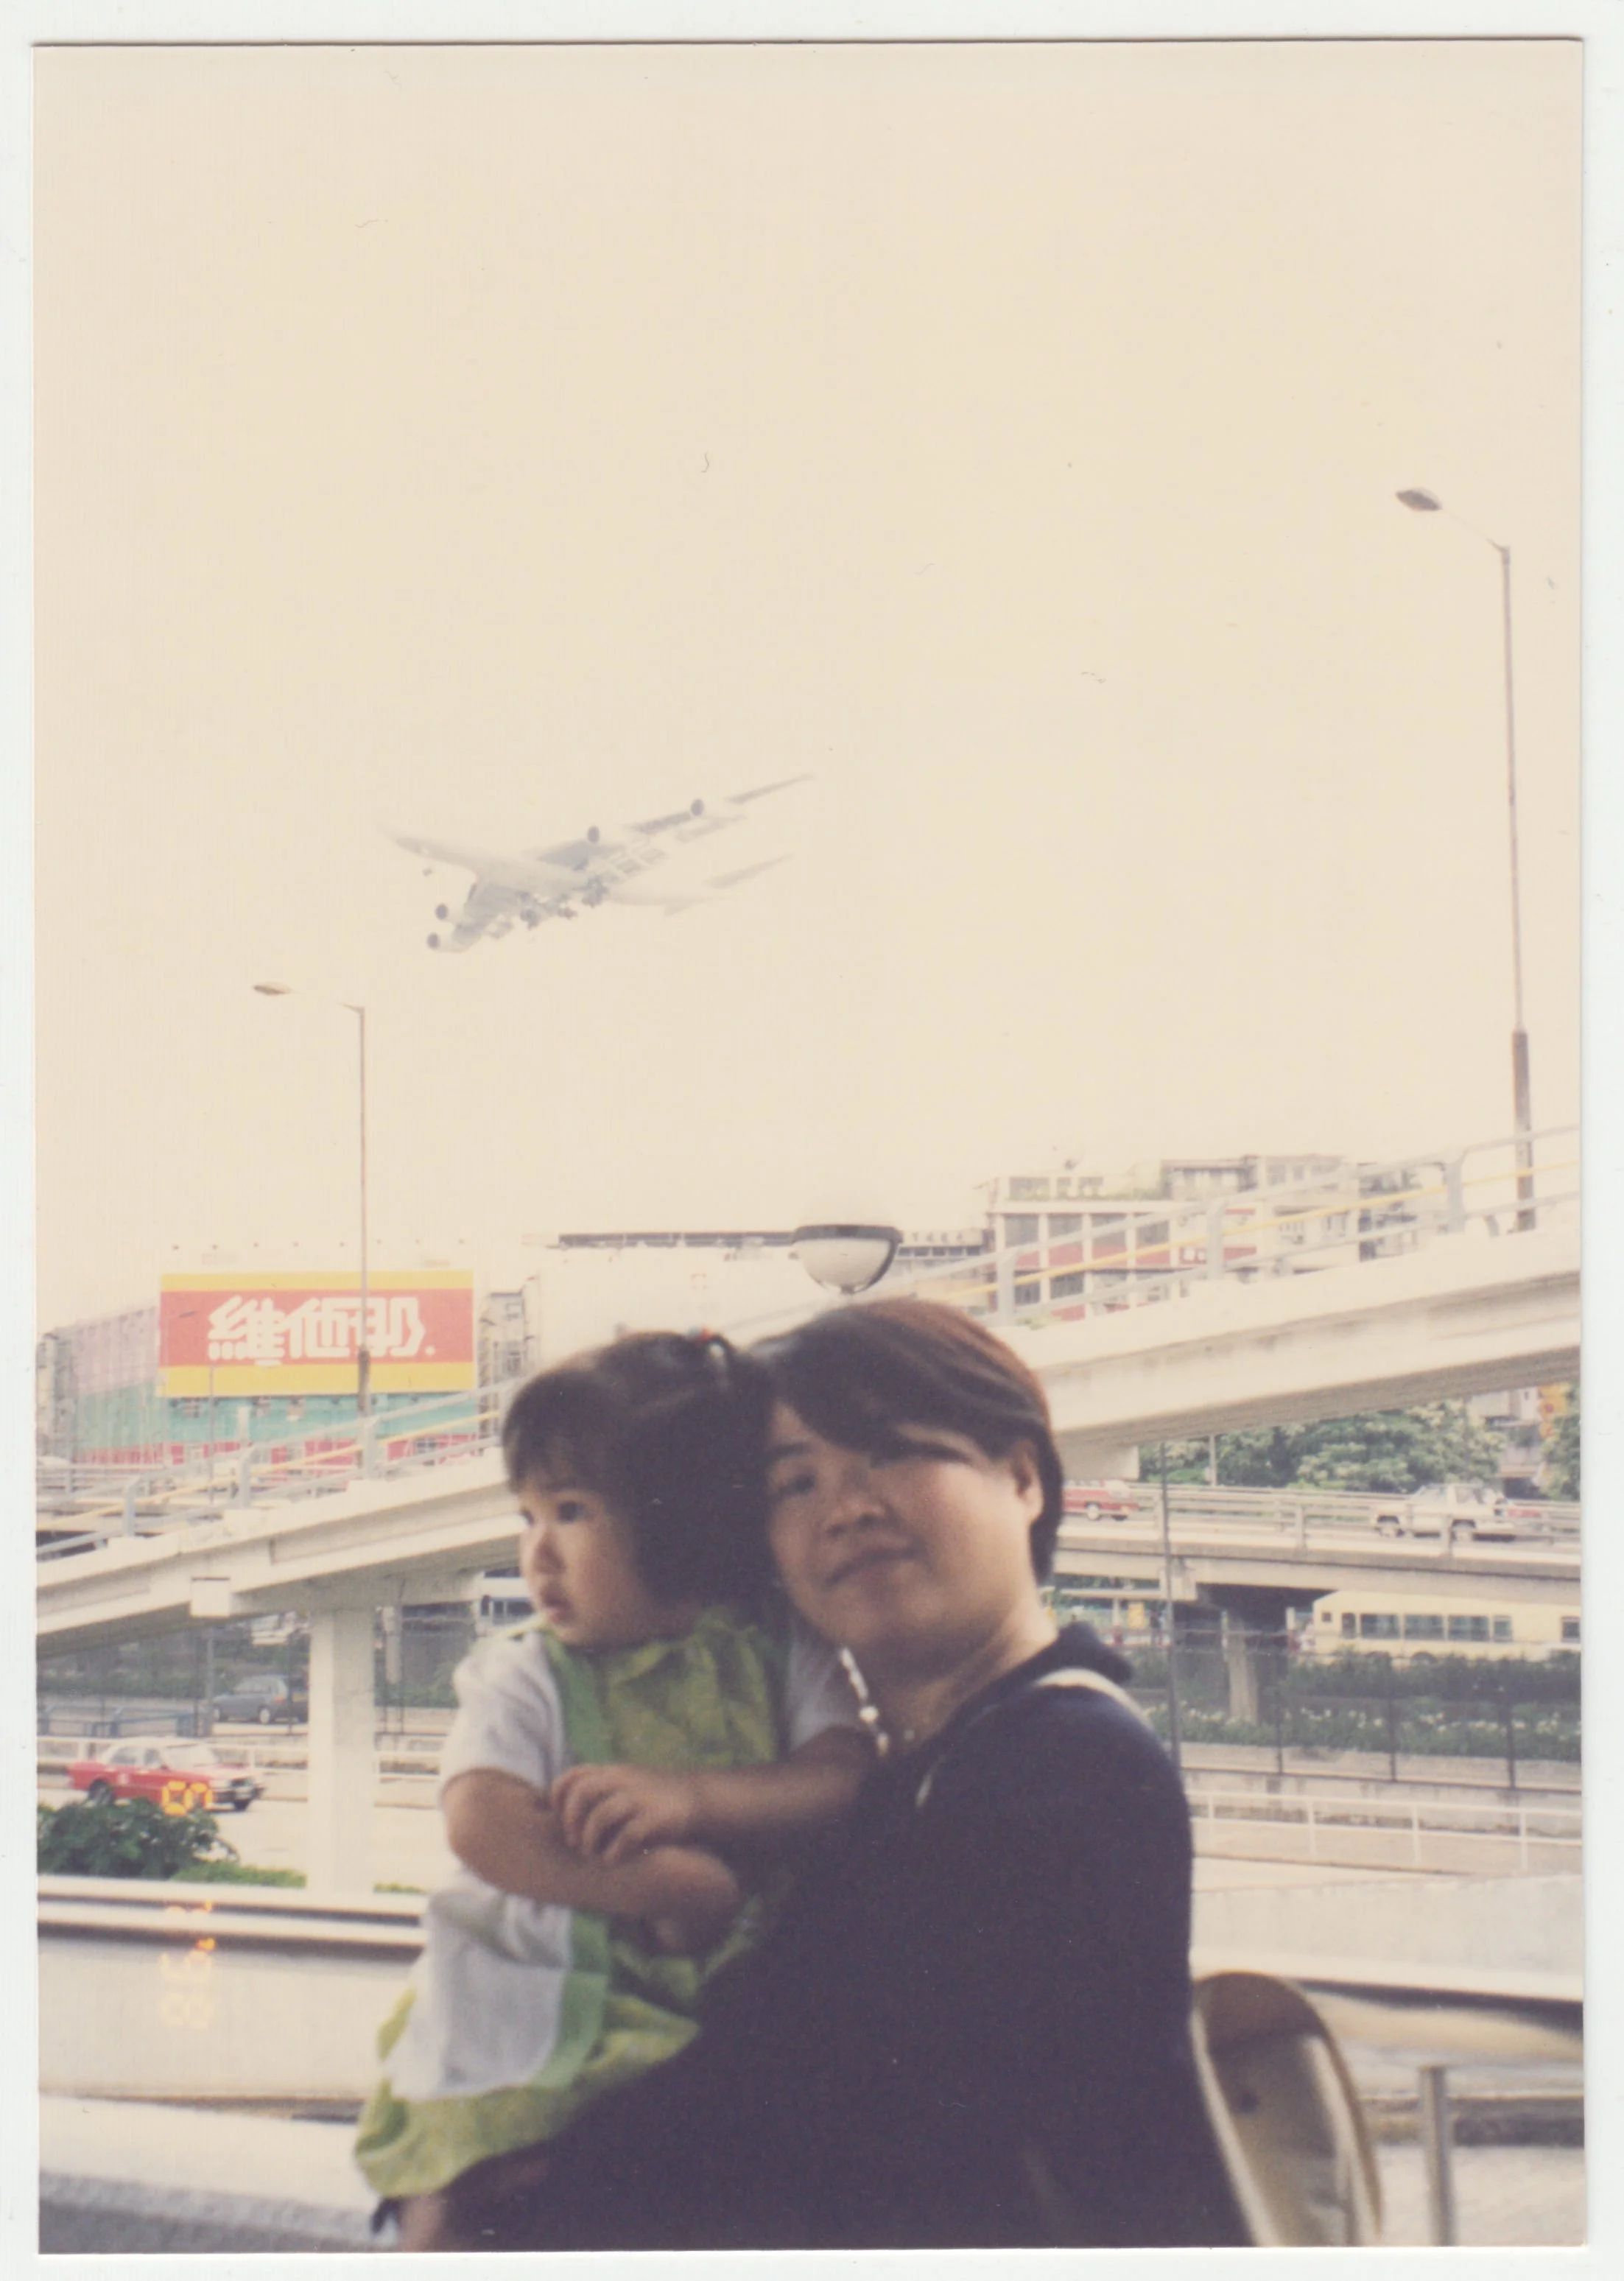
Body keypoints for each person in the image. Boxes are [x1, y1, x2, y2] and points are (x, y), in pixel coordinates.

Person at [489, 1298, 1247, 2251]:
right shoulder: (886, 1778)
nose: (847, 1506)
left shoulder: (1067, 1765)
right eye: (794, 1482)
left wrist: (522, 2171)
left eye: (890, 1453)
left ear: (1022, 1477)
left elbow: (841, 2125)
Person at [354, 1330, 870, 2249]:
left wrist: (694, 1801)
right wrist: (654, 1887)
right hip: (534, 1982)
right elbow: (481, 1821)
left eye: (572, 1512)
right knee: (458, 2153)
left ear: (686, 1518)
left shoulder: (777, 1646)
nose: (536, 1553)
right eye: (527, 1516)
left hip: (710, 2004)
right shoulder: (525, 1676)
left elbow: (841, 1776)